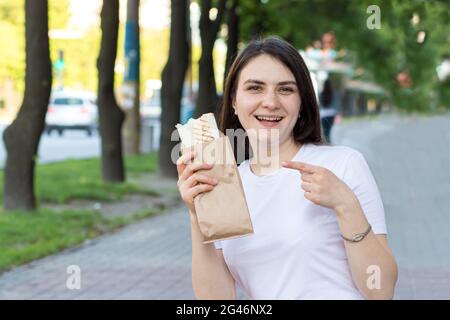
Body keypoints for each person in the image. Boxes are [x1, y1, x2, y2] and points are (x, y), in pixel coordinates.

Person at [176, 37, 398, 300]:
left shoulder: (343, 165)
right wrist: (196, 216)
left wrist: (345, 205)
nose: (270, 102)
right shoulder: (227, 185)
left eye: (285, 89)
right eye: (255, 88)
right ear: (234, 101)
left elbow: (381, 291)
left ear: (301, 101)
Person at [319, 77, 338, 144]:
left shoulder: (321, 93)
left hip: (323, 114)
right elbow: (335, 104)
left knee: (325, 130)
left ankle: (326, 141)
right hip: (331, 114)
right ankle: (328, 141)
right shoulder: (333, 93)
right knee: (329, 129)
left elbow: (320, 104)